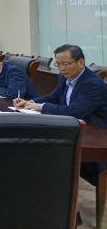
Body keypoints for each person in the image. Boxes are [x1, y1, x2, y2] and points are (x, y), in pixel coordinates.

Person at [13, 44, 107, 187]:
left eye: (66, 64)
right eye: (58, 64)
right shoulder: (65, 77)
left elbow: (74, 111)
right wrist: (30, 102)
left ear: (81, 62)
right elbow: (53, 97)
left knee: (46, 150)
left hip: (96, 138)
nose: (62, 68)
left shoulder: (92, 84)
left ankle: (58, 194)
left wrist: (40, 107)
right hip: (76, 130)